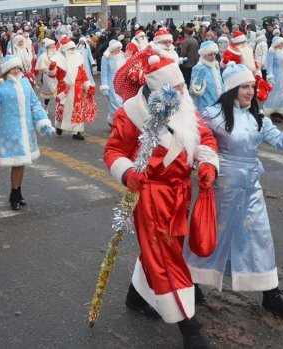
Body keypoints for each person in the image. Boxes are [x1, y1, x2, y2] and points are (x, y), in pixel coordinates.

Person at [185, 62, 283, 319]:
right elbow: (196, 143)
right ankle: (191, 283)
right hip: (223, 190)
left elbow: (281, 142)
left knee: (260, 239)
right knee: (211, 238)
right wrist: (203, 165)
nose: (250, 91)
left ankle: (270, 295)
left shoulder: (258, 117)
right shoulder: (212, 114)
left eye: (252, 86)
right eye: (244, 86)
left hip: (251, 189)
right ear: (232, 89)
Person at [104, 55, 219, 349]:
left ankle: (135, 296)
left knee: (165, 249)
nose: (183, 92)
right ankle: (189, 329)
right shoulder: (131, 113)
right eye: (177, 87)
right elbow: (114, 150)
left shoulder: (185, 107)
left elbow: (205, 137)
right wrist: (128, 171)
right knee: (166, 257)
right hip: (151, 194)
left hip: (180, 193)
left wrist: (207, 164)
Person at [0, 56, 55, 210]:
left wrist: (43, 122)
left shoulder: (25, 83)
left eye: (18, 67)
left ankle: (18, 192)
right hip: (11, 130)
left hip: (27, 128)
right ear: (6, 70)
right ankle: (13, 193)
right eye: (13, 68)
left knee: (22, 162)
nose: (16, 70)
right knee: (17, 163)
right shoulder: (1, 86)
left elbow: (34, 103)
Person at [113, 28, 179, 102]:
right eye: (164, 42)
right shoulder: (145, 52)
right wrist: (152, 78)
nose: (168, 45)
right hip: (144, 95)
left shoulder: (170, 54)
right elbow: (132, 72)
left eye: (169, 42)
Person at [51, 37, 96, 140]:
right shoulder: (58, 60)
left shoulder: (78, 59)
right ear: (65, 50)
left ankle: (77, 131)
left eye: (73, 48)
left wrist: (88, 86)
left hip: (77, 89)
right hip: (64, 88)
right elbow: (53, 75)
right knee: (62, 109)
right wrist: (52, 69)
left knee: (77, 109)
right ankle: (59, 125)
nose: (72, 51)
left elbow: (83, 74)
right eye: (70, 49)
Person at [189, 41, 225, 114]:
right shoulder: (198, 68)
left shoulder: (216, 66)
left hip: (219, 106)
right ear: (204, 54)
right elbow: (194, 91)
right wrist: (198, 81)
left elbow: (221, 86)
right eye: (210, 54)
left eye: (214, 54)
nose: (213, 57)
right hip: (205, 108)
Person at [100, 39, 126, 125]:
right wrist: (104, 86)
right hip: (112, 84)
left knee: (122, 103)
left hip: (123, 83)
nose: (119, 49)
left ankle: (112, 119)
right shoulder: (106, 57)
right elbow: (104, 73)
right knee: (115, 103)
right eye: (117, 47)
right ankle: (119, 124)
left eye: (120, 47)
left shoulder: (123, 56)